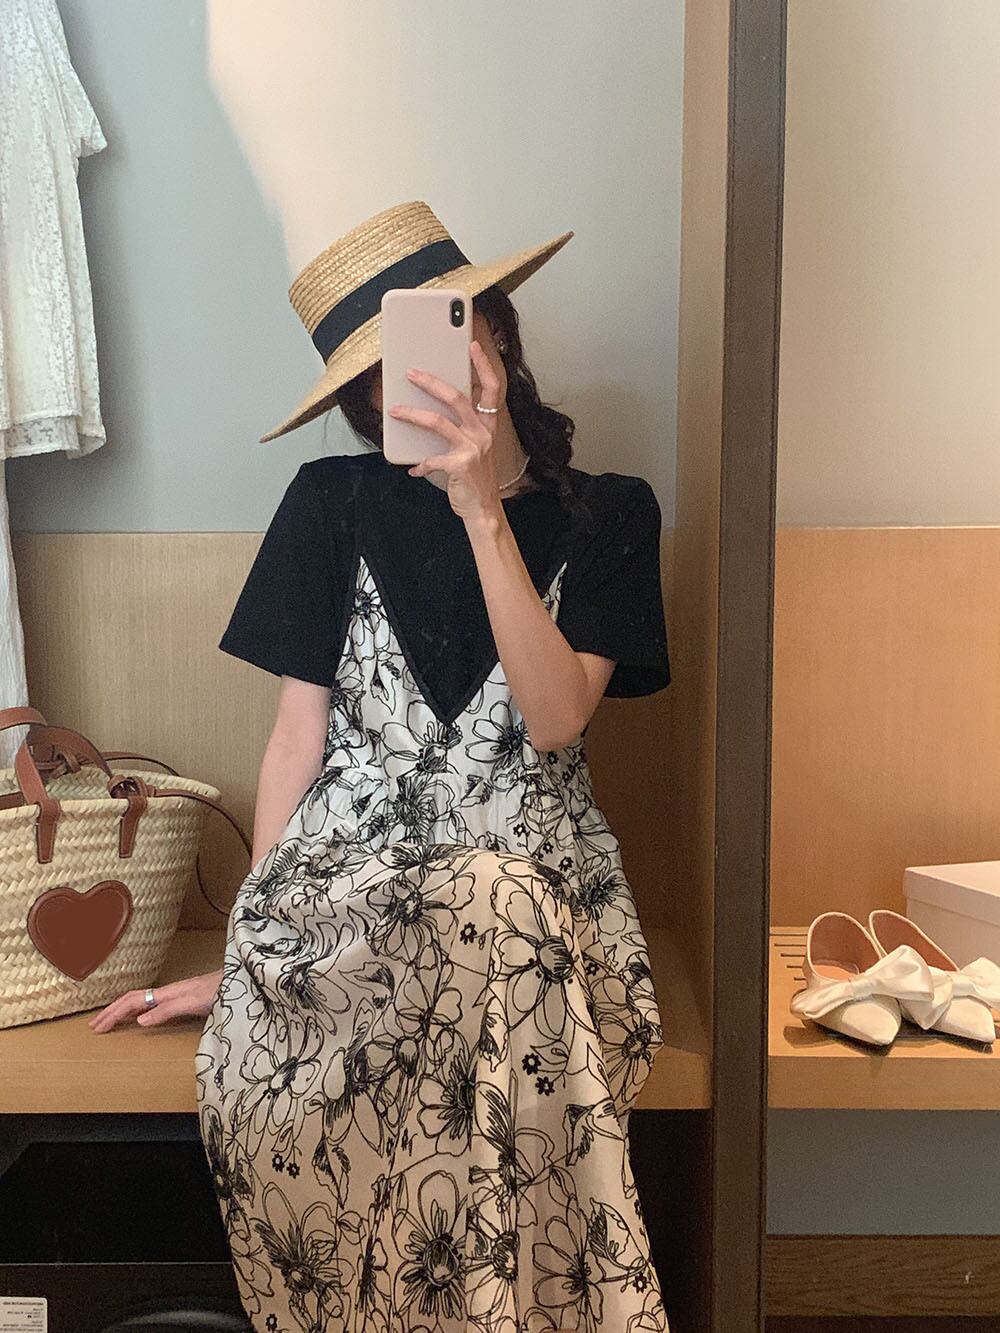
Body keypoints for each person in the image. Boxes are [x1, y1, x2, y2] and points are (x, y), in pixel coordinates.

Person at [89, 200, 673, 1333]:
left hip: (536, 893)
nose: (399, 392)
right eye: (370, 382)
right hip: (347, 889)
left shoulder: (611, 514)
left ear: (495, 331)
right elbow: (295, 739)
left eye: (435, 341)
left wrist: (480, 510)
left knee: (495, 902)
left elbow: (555, 719)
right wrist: (257, 947)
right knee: (474, 943)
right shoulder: (330, 503)